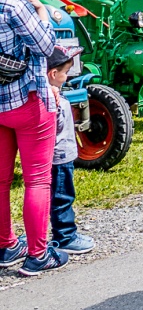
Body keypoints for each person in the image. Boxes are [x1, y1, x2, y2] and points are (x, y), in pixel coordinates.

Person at [0, 0, 66, 275]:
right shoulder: (14, 5)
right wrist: (41, 12)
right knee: (37, 180)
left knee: (0, 181)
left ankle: (5, 245)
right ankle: (38, 254)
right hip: (28, 101)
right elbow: (45, 45)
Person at [45, 45, 94, 255]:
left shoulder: (55, 93)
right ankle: (65, 236)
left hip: (62, 157)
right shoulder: (51, 98)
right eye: (65, 72)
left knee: (59, 196)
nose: (67, 77)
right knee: (62, 197)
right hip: (59, 159)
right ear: (53, 74)